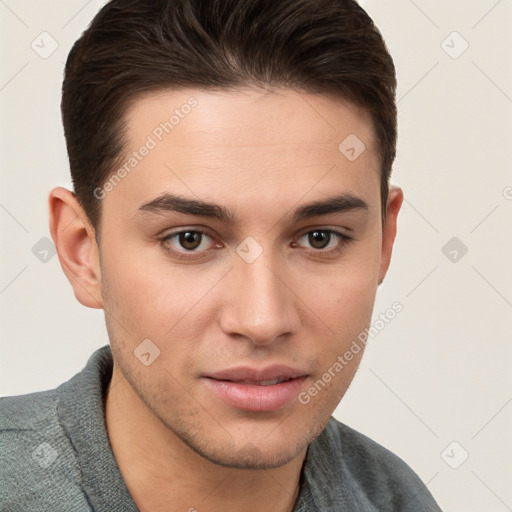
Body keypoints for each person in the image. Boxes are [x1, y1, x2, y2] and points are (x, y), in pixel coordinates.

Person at [0, 0, 442, 510]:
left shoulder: (397, 500)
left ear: (384, 242)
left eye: (320, 237)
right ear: (83, 252)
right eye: (189, 239)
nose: (262, 320)